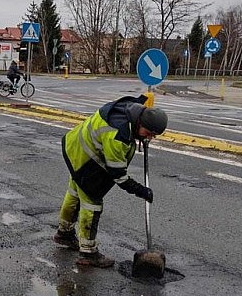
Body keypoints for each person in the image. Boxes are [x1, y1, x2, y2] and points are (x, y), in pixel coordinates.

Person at [53, 95, 168, 268]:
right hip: (85, 159)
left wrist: (141, 135)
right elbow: (118, 175)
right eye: (149, 133)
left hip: (75, 147)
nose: (150, 138)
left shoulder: (133, 110)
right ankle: (88, 252)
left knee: (75, 194)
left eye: (153, 135)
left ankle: (64, 233)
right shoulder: (117, 135)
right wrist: (140, 190)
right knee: (92, 204)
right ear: (139, 123)